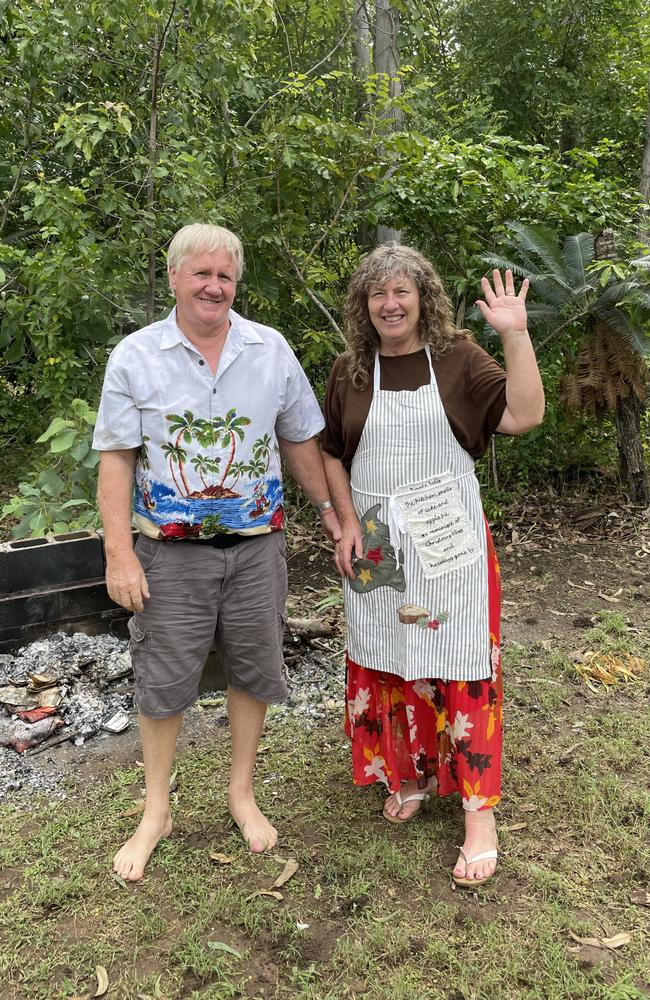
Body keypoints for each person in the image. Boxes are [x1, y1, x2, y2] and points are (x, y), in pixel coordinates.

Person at [93, 223, 340, 881]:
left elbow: (299, 441)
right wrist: (119, 553)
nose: (213, 286)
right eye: (200, 274)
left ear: (237, 283)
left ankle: (240, 791)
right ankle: (155, 811)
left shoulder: (270, 350)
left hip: (257, 548)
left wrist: (329, 511)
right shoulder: (136, 356)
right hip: (169, 555)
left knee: (253, 668)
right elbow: (116, 459)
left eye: (224, 276)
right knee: (163, 680)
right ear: (174, 278)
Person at [321, 245, 544, 887]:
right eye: (377, 295)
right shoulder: (350, 371)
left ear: (423, 298)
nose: (390, 305)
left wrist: (515, 336)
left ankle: (479, 814)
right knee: (387, 657)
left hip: (447, 540)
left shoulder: (459, 359)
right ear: (365, 306)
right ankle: (411, 771)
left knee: (461, 659)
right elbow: (332, 451)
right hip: (376, 539)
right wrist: (344, 523)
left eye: (402, 292)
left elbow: (526, 415)